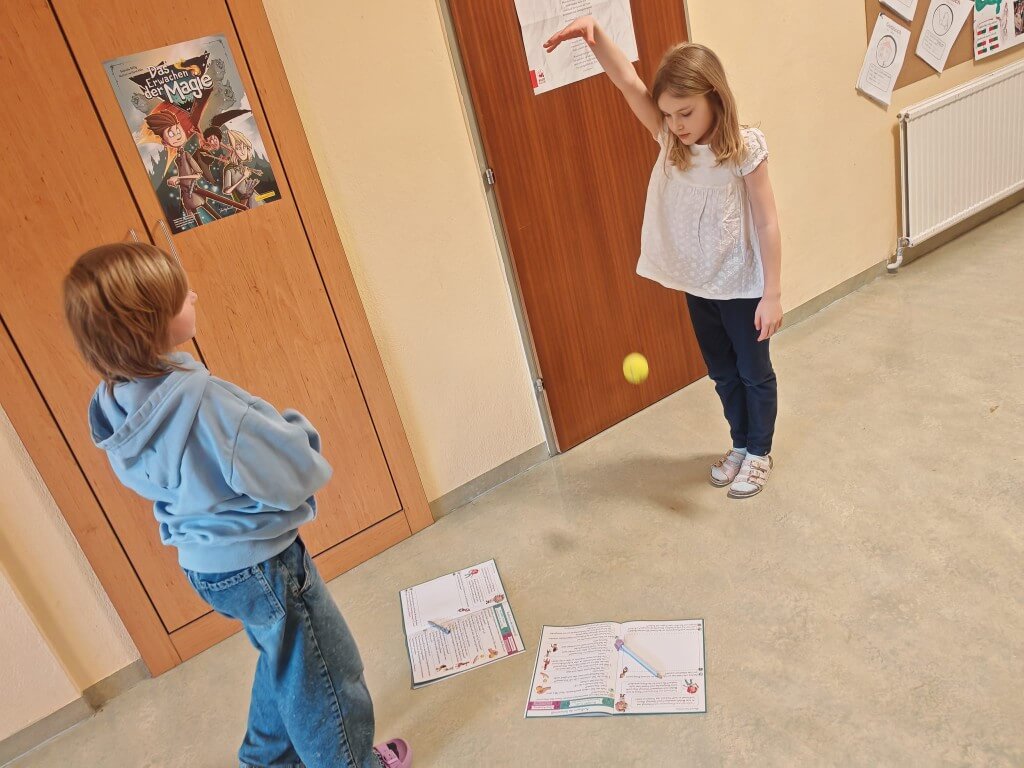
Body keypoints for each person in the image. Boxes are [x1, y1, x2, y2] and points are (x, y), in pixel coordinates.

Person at [63, 242, 412, 767]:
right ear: (150, 325)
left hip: (207, 565)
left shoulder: (116, 404)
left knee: (286, 658)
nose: (194, 294)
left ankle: (266, 761)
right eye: (181, 296)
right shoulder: (210, 405)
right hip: (263, 564)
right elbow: (294, 472)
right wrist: (292, 429)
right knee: (328, 673)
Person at [544, 19, 784, 498]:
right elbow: (627, 82)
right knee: (722, 373)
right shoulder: (672, 142)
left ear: (715, 97)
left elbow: (767, 223)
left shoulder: (744, 149)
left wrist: (772, 294)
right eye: (669, 114)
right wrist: (595, 36)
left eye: (686, 112)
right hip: (700, 285)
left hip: (742, 285)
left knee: (753, 373)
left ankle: (760, 452)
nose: (676, 124)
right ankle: (740, 444)